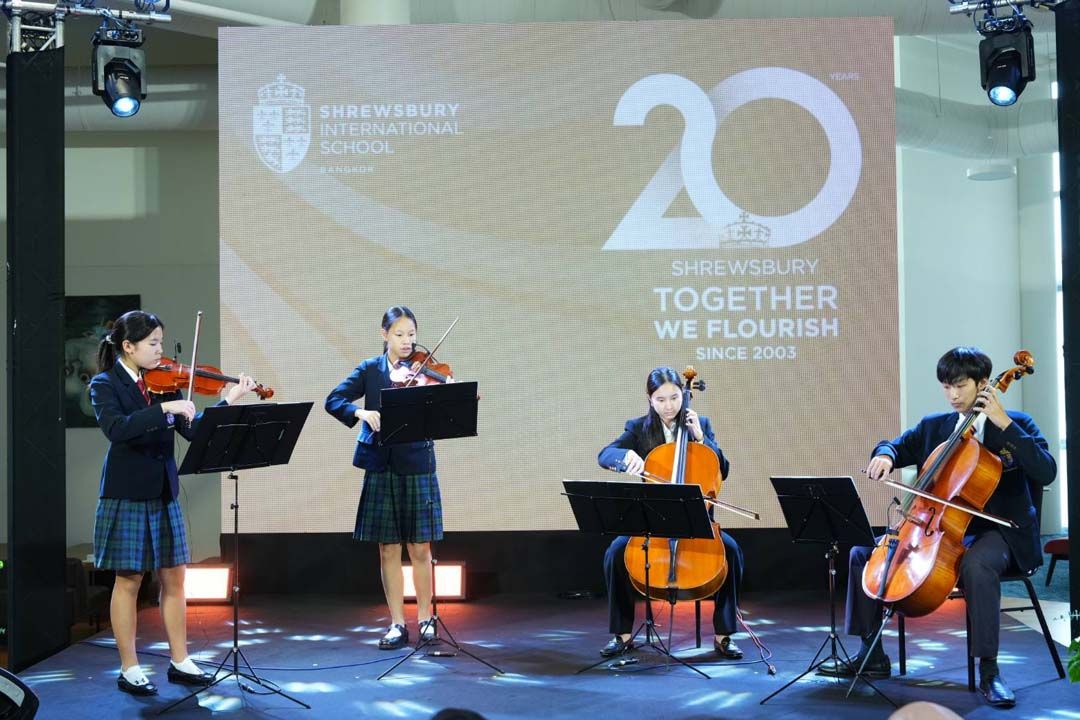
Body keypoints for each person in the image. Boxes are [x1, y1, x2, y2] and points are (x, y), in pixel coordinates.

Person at [820, 346, 1057, 709]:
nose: (953, 395)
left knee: (977, 565)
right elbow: (895, 446)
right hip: (939, 529)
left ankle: (989, 670)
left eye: (960, 386)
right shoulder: (936, 426)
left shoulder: (1017, 424)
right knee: (862, 555)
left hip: (999, 533)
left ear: (983, 384)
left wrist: (1003, 424)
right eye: (947, 387)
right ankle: (872, 652)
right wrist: (884, 455)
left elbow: (1046, 470)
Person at [91, 310, 257, 695]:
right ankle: (129, 667)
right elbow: (117, 429)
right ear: (128, 346)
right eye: (152, 343)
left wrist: (228, 400)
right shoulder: (105, 384)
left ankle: (180, 660)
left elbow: (194, 432)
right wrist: (164, 409)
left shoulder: (165, 383)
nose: (160, 351)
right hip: (127, 492)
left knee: (174, 578)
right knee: (129, 580)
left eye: (161, 343)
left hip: (164, 490)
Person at [596, 366, 745, 659]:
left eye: (675, 398)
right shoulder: (638, 428)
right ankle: (621, 634)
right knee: (615, 554)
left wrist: (701, 439)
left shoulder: (700, 424)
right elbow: (605, 455)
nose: (669, 406)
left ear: (683, 395)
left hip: (695, 521)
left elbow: (723, 469)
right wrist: (625, 457)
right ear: (650, 400)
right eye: (661, 399)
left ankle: (724, 635)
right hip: (653, 522)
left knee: (732, 552)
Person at [325, 305, 446, 650]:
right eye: (399, 334)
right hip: (381, 463)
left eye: (412, 334)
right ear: (384, 335)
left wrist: (451, 392)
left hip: (417, 461)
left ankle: (425, 619)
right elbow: (334, 400)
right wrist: (360, 412)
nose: (407, 341)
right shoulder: (370, 369)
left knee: (420, 546)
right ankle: (397, 623)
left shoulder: (426, 370)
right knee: (389, 548)